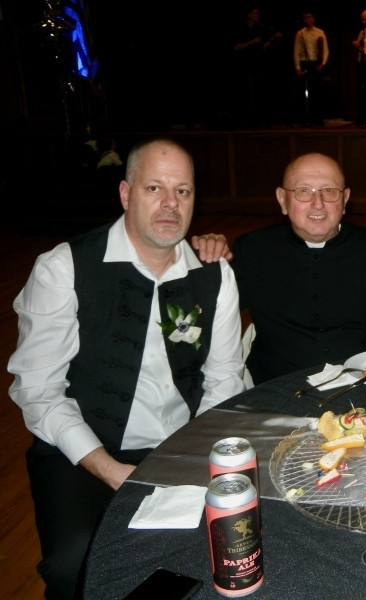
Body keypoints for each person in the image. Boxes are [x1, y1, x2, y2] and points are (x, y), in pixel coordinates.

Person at [8, 138, 246, 599]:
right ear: (125, 193)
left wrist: (195, 455)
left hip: (183, 447)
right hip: (83, 452)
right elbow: (38, 391)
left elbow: (223, 379)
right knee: (74, 564)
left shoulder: (214, 273)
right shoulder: (64, 268)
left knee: (223, 546)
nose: (170, 204)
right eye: (154, 188)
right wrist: (107, 467)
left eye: (182, 191)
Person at [204, 152, 366, 384]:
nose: (318, 203)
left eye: (329, 191)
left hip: (364, 385)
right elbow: (209, 318)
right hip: (276, 388)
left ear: (345, 199)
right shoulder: (252, 250)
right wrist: (203, 259)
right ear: (282, 200)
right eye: (304, 191)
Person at [293, 10, 329, 125]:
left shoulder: (320, 32)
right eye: (305, 17)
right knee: (304, 91)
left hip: (316, 63)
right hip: (305, 62)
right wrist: (298, 67)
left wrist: (323, 64)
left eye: (309, 17)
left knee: (317, 91)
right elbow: (296, 51)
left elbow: (326, 50)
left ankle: (317, 118)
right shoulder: (300, 33)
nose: (307, 20)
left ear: (313, 19)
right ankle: (305, 117)